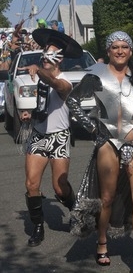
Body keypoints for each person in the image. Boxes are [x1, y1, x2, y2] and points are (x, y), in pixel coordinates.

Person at [67, 31, 133, 272]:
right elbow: (73, 101)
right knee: (106, 199)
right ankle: (101, 242)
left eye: (124, 47)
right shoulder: (96, 75)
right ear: (108, 51)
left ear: (130, 51)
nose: (120, 51)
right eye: (115, 47)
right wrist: (93, 129)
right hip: (108, 143)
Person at [18, 28, 83, 247]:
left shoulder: (65, 81)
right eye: (44, 54)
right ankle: (38, 227)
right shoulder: (40, 79)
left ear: (59, 59)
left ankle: (75, 209)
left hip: (59, 138)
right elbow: (45, 108)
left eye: (50, 54)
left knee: (59, 187)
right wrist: (30, 115)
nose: (45, 57)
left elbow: (57, 86)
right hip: (39, 136)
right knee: (31, 184)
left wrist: (39, 70)